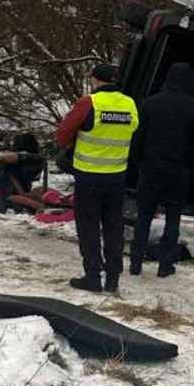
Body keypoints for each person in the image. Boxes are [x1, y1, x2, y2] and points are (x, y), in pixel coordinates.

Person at [55, 63, 139, 293]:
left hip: (89, 177)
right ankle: (113, 279)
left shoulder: (88, 102)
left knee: (89, 227)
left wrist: (74, 144)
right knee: (114, 227)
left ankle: (92, 277)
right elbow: (133, 130)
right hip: (116, 177)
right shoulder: (129, 103)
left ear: (95, 80)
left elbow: (62, 135)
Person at [129, 63, 194, 278]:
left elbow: (138, 137)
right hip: (178, 171)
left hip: (151, 169)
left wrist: (137, 162)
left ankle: (135, 262)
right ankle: (165, 264)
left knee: (144, 216)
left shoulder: (148, 104)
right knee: (173, 218)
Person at [0, 133, 48, 214]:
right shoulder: (10, 163)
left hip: (13, 193)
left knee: (45, 192)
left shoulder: (13, 164)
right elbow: (7, 158)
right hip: (7, 198)